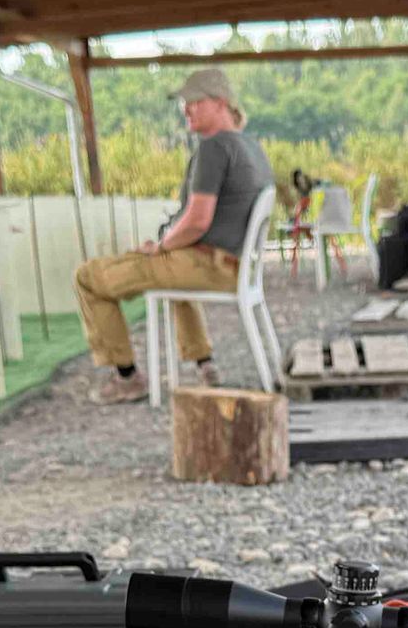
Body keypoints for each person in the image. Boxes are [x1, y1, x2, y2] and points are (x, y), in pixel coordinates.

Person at [72, 64, 273, 402]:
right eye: (184, 102)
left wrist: (161, 245)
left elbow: (197, 221)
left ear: (220, 103)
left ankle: (127, 376)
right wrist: (167, 246)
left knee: (88, 277)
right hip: (234, 267)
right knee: (171, 269)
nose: (186, 108)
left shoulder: (214, 148)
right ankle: (204, 362)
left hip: (205, 265)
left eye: (194, 101)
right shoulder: (252, 149)